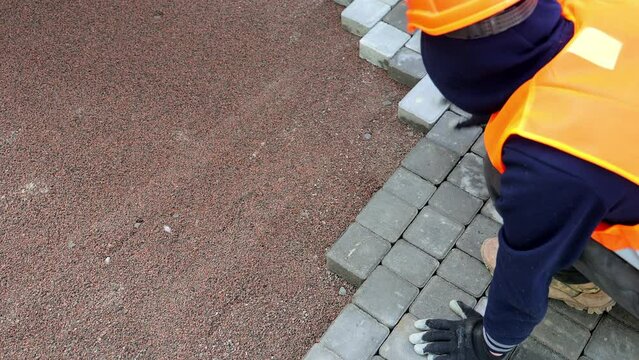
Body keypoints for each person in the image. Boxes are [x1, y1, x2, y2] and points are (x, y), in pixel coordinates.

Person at [403, 0, 639, 358]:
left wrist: (486, 343)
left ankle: (582, 285)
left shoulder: (550, 165)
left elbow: (521, 277)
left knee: (518, 189)